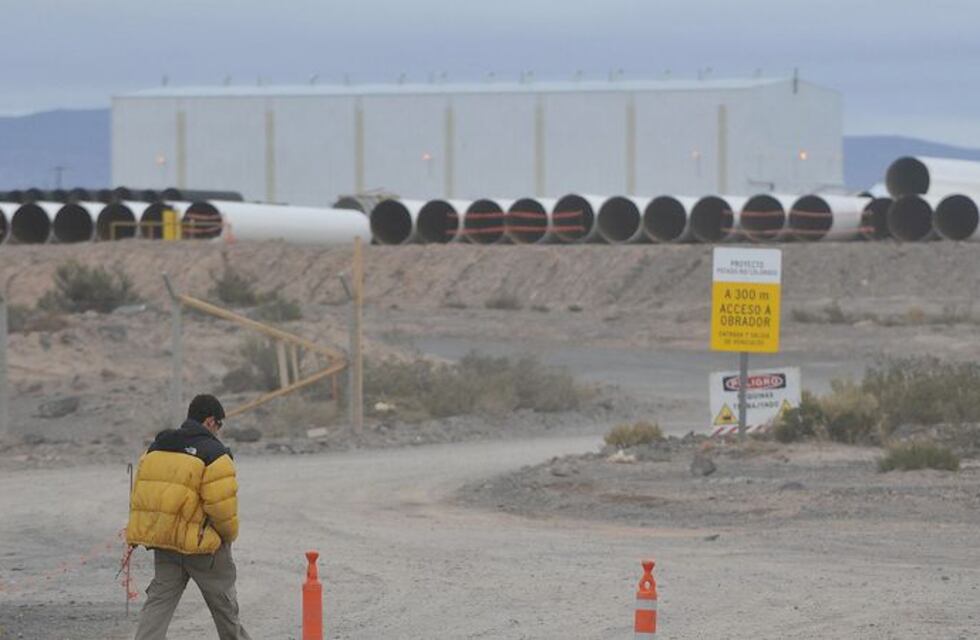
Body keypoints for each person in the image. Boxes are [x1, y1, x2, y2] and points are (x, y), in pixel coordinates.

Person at [126, 394, 250, 640]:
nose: (219, 431)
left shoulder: (157, 447)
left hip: (166, 543)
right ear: (210, 421)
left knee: (159, 603)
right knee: (224, 607)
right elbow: (222, 509)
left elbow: (143, 494)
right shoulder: (215, 455)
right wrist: (227, 537)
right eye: (219, 425)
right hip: (203, 548)